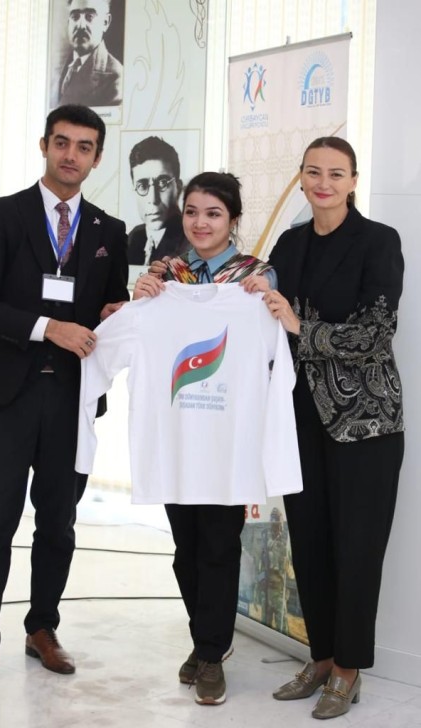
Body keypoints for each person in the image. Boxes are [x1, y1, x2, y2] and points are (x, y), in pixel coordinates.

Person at [0, 104, 129, 696]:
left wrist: (117, 312)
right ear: (44, 146)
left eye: (84, 147)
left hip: (72, 400)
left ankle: (42, 628)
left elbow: (112, 303)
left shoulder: (109, 231)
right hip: (5, 395)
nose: (71, 155)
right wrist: (49, 328)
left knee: (58, 522)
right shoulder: (4, 214)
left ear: (97, 158)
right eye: (62, 142)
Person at [264, 137, 404, 720]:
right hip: (297, 417)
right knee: (309, 542)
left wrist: (301, 327)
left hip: (365, 423)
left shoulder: (378, 241)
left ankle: (348, 669)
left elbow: (377, 332)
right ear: (301, 177)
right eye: (314, 172)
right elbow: (257, 307)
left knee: (357, 548)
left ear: (352, 181)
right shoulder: (289, 244)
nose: (324, 183)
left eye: (336, 174)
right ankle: (320, 657)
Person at [132, 172, 285, 706]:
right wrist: (141, 296)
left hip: (227, 438)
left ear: (233, 220)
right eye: (192, 212)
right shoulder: (167, 274)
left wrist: (268, 301)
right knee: (186, 550)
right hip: (178, 438)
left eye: (213, 213)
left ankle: (211, 654)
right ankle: (205, 641)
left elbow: (274, 351)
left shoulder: (255, 278)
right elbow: (141, 330)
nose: (200, 223)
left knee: (219, 546)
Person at [127, 136, 190, 265]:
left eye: (162, 183)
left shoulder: (190, 240)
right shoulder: (134, 237)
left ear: (178, 188)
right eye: (142, 186)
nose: (153, 199)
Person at [59, 0, 123, 107]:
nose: (80, 25)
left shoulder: (116, 79)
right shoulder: (62, 68)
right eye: (75, 17)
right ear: (68, 22)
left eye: (89, 16)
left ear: (105, 22)